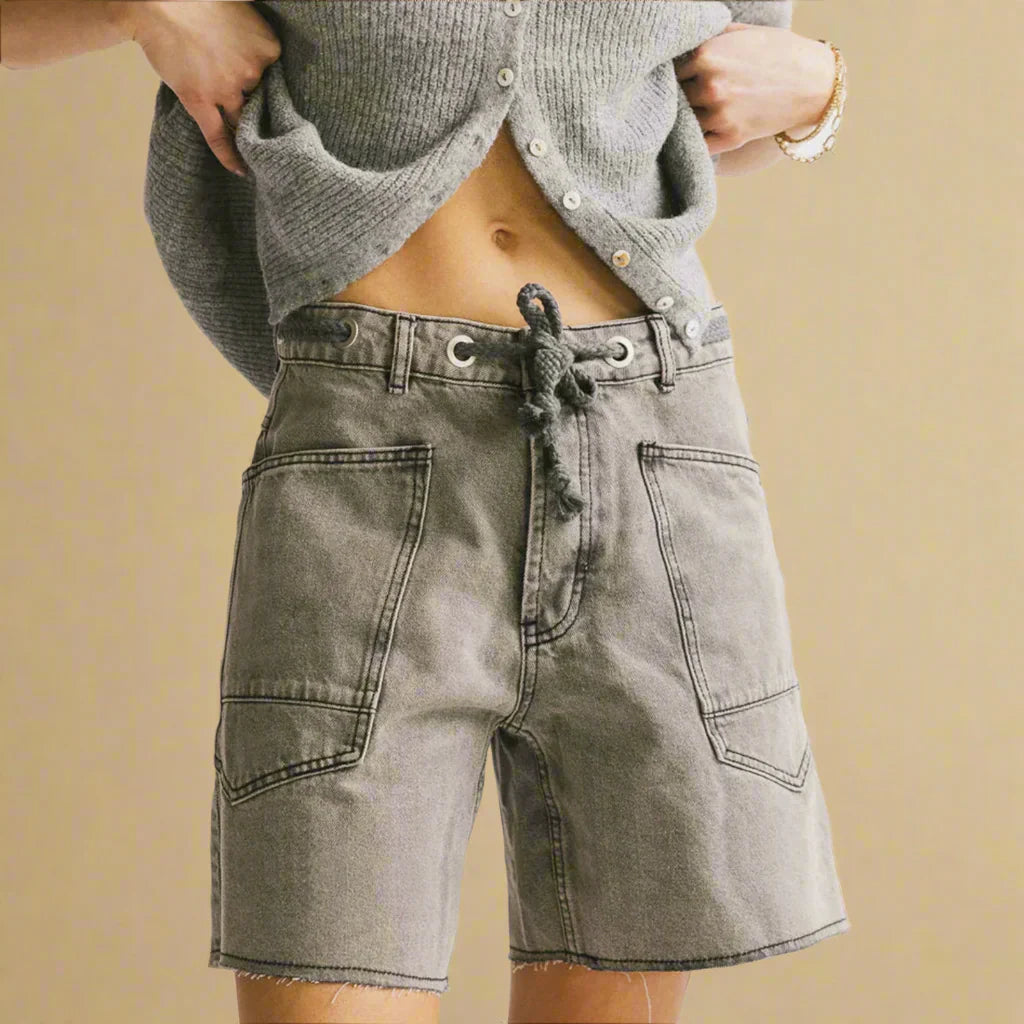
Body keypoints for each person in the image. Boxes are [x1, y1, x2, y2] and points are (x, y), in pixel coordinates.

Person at [3, 3, 850, 1022]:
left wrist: (819, 91)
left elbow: (712, 113)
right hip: (368, 462)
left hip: (648, 450)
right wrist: (148, 6)